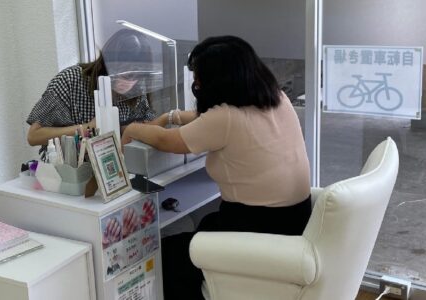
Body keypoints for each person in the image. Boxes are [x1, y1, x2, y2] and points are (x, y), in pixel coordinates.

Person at [121, 36, 312, 299]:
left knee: (166, 257)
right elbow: (208, 121)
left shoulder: (226, 118)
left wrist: (131, 128)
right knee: (204, 224)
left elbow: (168, 141)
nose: (196, 85)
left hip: (258, 231)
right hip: (293, 221)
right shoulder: (276, 99)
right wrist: (170, 116)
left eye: (199, 79)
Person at [26, 29, 158, 146]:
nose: (125, 80)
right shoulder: (69, 81)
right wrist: (88, 128)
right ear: (106, 63)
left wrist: (168, 118)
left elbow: (148, 125)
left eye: (134, 74)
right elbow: (34, 136)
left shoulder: (137, 90)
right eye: (119, 70)